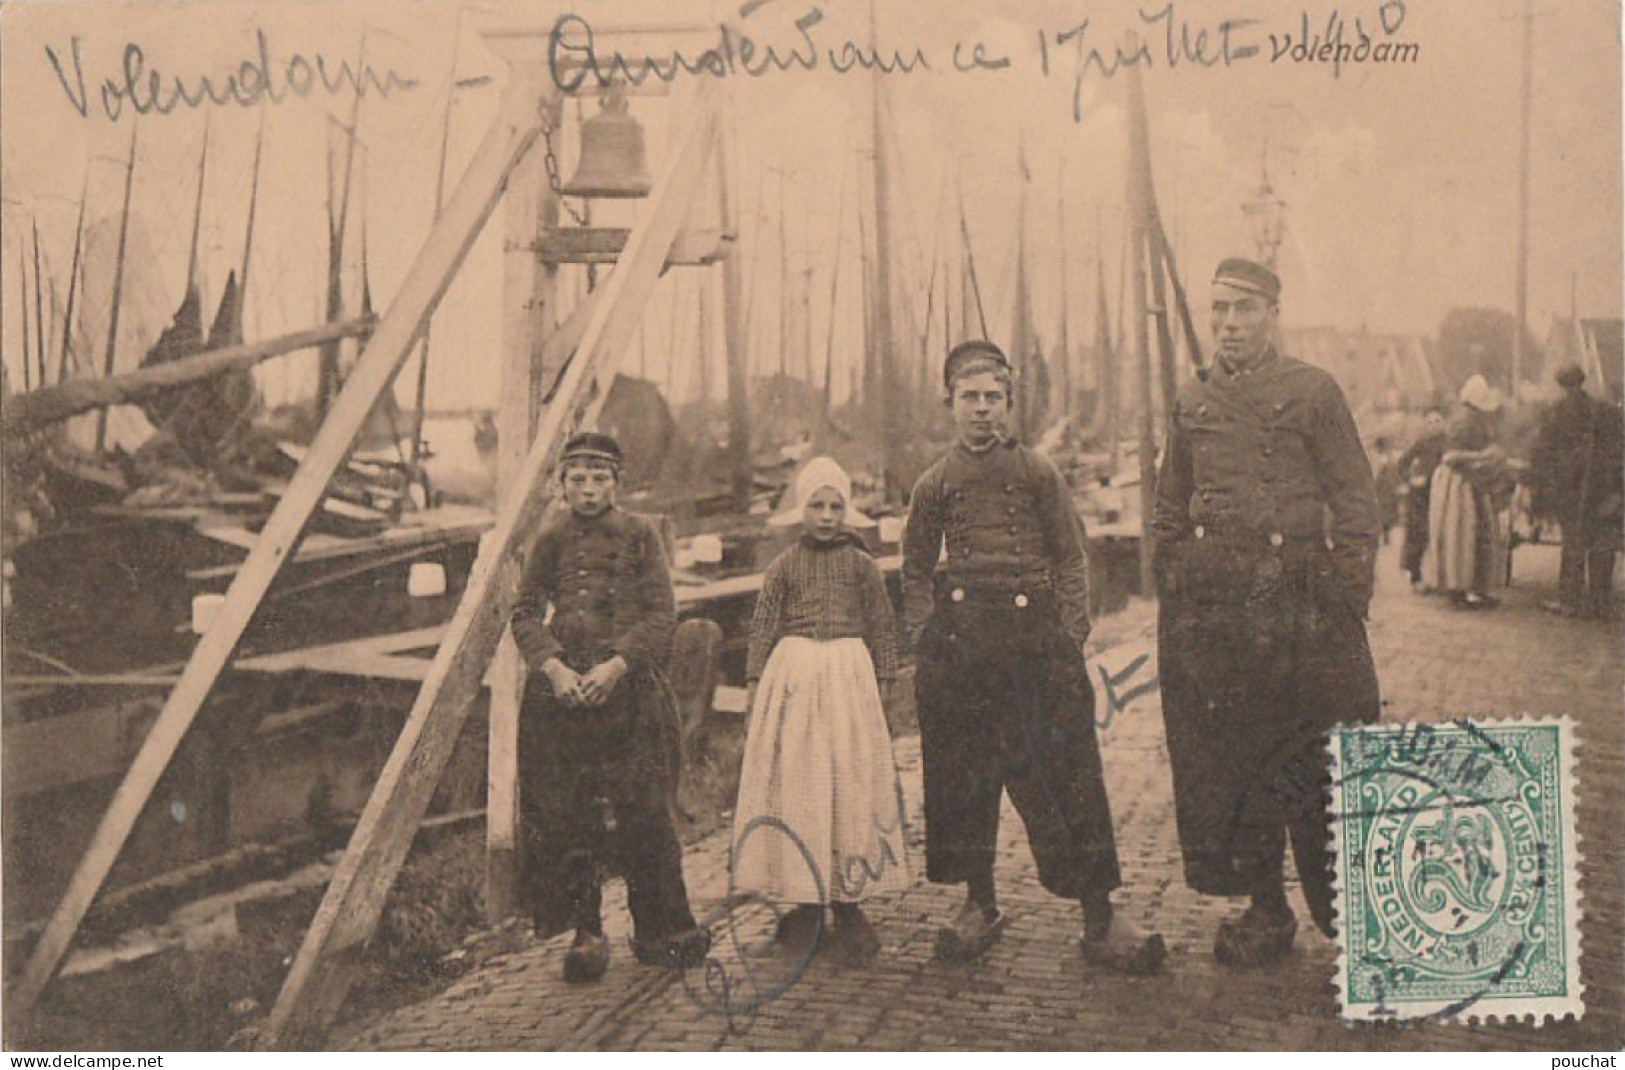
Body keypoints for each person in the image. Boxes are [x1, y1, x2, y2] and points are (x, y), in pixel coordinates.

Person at [902, 339, 1166, 974]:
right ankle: (979, 903)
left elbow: (1073, 560)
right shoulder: (933, 484)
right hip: (963, 650)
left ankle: (1100, 916)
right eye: (970, 398)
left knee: (1070, 778)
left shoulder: (1038, 473)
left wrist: (1069, 634)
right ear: (950, 404)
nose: (983, 410)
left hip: (1037, 647)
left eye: (994, 398)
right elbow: (913, 574)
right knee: (967, 782)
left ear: (1010, 405)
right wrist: (926, 639)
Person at [1152, 258, 1380, 968]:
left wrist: (1345, 595)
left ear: (1272, 314)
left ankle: (1352, 921)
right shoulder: (1192, 402)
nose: (1226, 324)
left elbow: (1356, 500)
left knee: (1322, 758)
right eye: (1217, 309)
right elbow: (1167, 503)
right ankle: (1264, 908)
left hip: (1304, 606)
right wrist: (1175, 578)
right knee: (1236, 762)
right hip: (1221, 611)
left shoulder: (1313, 391)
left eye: (1242, 309)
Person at [512, 432, 710, 983]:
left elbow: (660, 613)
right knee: (567, 814)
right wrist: (553, 668)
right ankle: (586, 934)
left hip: (628, 694)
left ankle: (662, 930)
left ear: (617, 484)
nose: (589, 489)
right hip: (564, 699)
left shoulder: (642, 534)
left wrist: (616, 666)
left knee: (645, 809)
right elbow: (525, 614)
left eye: (600, 479)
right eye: (578, 479)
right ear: (562, 484)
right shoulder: (549, 538)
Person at [732, 456, 909, 963]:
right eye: (817, 505)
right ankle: (804, 904)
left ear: (847, 510)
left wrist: (884, 682)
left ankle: (847, 902)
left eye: (835, 506)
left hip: (849, 682)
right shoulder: (783, 566)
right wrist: (753, 686)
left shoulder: (862, 567)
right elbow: (764, 627)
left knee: (847, 787)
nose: (827, 516)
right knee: (800, 789)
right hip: (796, 683)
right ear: (800, 509)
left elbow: (881, 626)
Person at [1531, 364, 1620, 617]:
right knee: (1602, 542)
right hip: (1602, 488)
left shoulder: (1557, 412)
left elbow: (1542, 450)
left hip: (1572, 489)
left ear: (1562, 384)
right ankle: (1601, 602)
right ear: (1582, 381)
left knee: (1573, 543)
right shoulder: (1605, 410)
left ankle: (1569, 600)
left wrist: (1542, 482)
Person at [1425, 374, 1512, 609]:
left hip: (1472, 481)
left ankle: (1475, 588)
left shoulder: (1476, 421)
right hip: (1458, 484)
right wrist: (1484, 457)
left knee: (1479, 534)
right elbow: (1452, 457)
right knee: (1460, 535)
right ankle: (1458, 590)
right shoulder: (1464, 422)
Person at [1396, 407, 1448, 590]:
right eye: (1430, 422)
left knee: (1443, 533)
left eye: (1438, 421)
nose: (1434, 425)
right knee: (1419, 533)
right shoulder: (1422, 443)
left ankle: (1442, 578)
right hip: (1421, 495)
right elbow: (1402, 463)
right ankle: (1415, 576)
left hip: (1443, 492)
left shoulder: (1449, 443)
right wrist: (1411, 480)